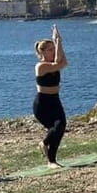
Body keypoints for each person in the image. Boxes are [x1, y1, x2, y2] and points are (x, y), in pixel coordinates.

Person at [33, 24, 69, 168]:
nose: (53, 51)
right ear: (42, 51)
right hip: (42, 103)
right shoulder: (40, 66)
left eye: (53, 49)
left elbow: (60, 59)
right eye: (50, 49)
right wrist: (57, 42)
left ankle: (51, 161)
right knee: (56, 128)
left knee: (60, 128)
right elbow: (63, 63)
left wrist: (58, 40)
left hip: (55, 100)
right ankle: (44, 144)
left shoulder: (53, 62)